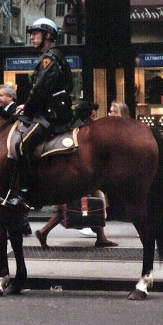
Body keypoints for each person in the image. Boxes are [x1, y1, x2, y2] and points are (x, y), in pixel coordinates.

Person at [2, 17, 74, 210]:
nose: (32, 37)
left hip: (51, 114)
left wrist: (27, 106)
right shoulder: (51, 56)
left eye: (36, 33)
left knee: (22, 145)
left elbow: (40, 89)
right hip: (50, 110)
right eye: (32, 34)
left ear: (48, 35)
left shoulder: (49, 58)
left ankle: (27, 193)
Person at [34, 100, 117, 248]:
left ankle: (101, 237)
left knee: (94, 203)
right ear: (86, 117)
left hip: (83, 173)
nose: (95, 118)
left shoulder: (82, 128)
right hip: (80, 174)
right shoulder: (81, 131)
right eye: (93, 115)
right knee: (72, 206)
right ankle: (44, 231)